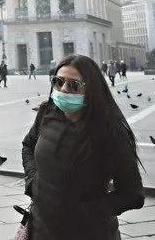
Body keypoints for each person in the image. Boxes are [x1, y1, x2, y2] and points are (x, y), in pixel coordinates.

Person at [22, 54, 144, 239]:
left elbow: (132, 194)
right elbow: (28, 145)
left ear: (92, 90)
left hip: (88, 233)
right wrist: (32, 182)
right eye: (59, 81)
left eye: (74, 85)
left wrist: (86, 212)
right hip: (40, 229)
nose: (64, 89)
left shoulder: (110, 132)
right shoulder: (47, 113)